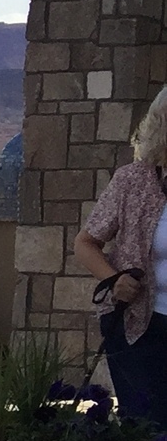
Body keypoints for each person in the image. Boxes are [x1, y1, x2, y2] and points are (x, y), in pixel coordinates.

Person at [76, 89, 167, 418]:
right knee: (146, 429)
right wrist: (114, 279)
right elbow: (85, 243)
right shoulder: (132, 181)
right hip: (137, 324)